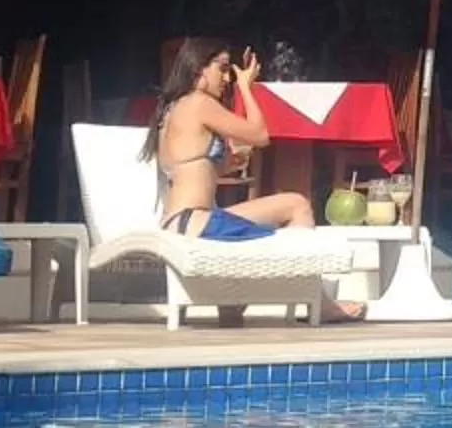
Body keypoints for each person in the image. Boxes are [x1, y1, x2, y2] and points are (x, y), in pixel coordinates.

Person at [142, 36, 362, 319]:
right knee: (297, 206)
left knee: (291, 206)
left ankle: (235, 302)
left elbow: (194, 170)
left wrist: (227, 164)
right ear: (198, 70)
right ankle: (317, 303)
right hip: (198, 222)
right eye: (222, 69)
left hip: (183, 221)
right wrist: (247, 87)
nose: (227, 78)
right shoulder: (198, 103)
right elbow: (260, 135)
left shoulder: (172, 110)